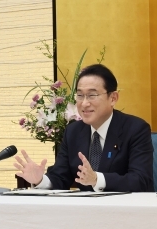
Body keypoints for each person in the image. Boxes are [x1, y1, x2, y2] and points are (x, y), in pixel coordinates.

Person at [14, 64, 154, 192]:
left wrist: (96, 179)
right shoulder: (73, 132)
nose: (84, 103)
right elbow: (61, 178)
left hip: (124, 212)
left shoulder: (136, 129)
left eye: (92, 95)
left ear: (113, 98)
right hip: (84, 213)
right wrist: (40, 180)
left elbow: (140, 180)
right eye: (80, 95)